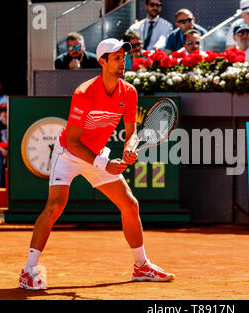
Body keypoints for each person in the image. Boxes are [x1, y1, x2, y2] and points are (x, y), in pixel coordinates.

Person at [18, 38, 175, 290]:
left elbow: (132, 131)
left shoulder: (129, 92)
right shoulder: (84, 93)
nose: (122, 61)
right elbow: (72, 141)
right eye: (116, 58)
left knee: (130, 205)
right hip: (69, 153)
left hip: (98, 153)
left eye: (123, 57)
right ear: (102, 61)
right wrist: (103, 163)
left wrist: (129, 149)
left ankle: (141, 265)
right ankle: (28, 270)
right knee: (55, 206)